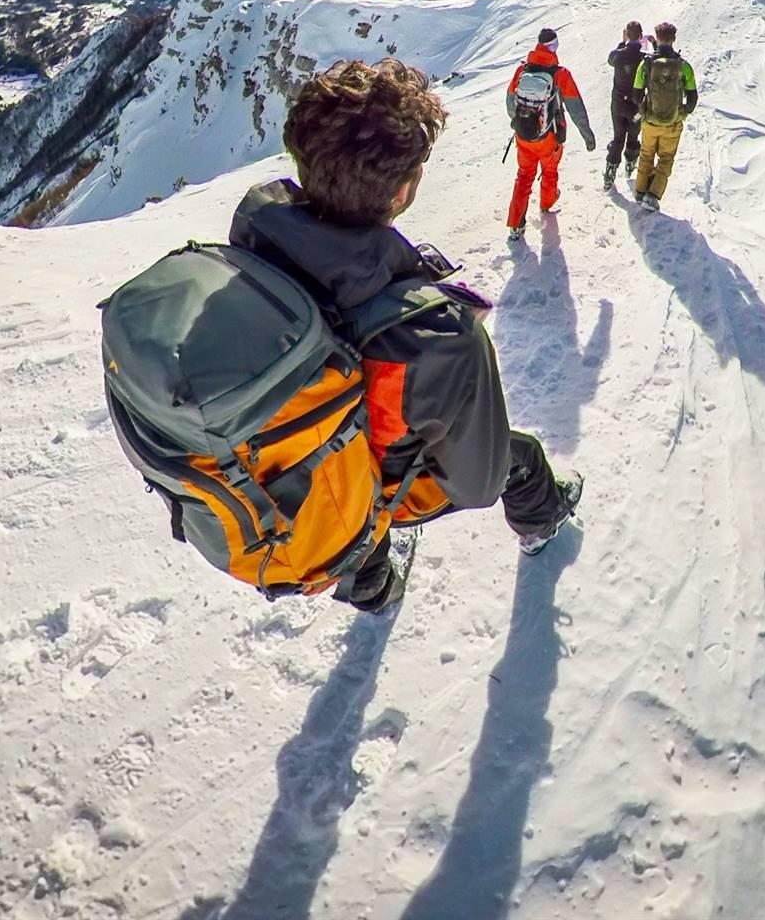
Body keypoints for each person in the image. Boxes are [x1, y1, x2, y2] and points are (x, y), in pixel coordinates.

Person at [233, 57, 583, 612]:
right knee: (519, 455)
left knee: (347, 473)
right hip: (376, 477)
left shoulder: (252, 239)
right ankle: (541, 518)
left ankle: (370, 584)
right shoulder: (436, 335)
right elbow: (476, 482)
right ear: (403, 192)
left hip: (277, 464)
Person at [505, 26, 597, 236]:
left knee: (524, 176)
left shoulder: (522, 71)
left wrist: (519, 122)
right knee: (549, 171)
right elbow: (576, 108)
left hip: (523, 136)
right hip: (549, 136)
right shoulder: (560, 75)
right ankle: (546, 203)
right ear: (553, 47)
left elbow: (510, 102)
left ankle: (515, 224)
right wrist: (587, 135)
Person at [632, 21, 698, 212]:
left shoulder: (646, 65)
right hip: (673, 123)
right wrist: (683, 112)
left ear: (657, 38)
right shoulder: (684, 66)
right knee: (666, 158)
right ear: (674, 39)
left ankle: (640, 190)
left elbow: (636, 94)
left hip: (650, 121)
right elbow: (692, 97)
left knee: (646, 154)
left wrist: (644, 109)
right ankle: (653, 196)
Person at [602, 19, 651, 189]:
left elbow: (611, 59)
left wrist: (623, 42)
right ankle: (630, 162)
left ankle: (610, 172)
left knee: (618, 136)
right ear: (641, 36)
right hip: (636, 107)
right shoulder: (645, 59)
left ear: (626, 35)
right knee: (633, 135)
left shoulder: (619, 55)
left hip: (618, 104)